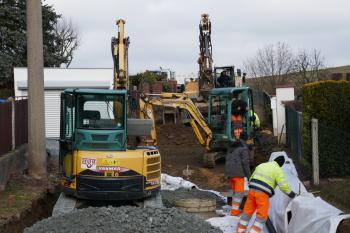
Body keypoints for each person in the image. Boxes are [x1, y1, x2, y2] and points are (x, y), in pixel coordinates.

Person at [236, 156, 297, 233]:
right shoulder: (277, 170)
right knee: (261, 217)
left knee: (247, 212)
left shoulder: (262, 165)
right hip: (262, 194)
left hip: (251, 191)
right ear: (280, 164)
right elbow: (283, 186)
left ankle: (239, 231)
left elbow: (251, 178)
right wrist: (292, 194)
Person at [225, 141, 251, 216]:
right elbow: (245, 163)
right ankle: (234, 212)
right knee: (239, 194)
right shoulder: (243, 149)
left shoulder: (231, 149)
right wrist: (249, 176)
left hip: (230, 174)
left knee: (235, 193)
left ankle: (234, 209)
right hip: (238, 175)